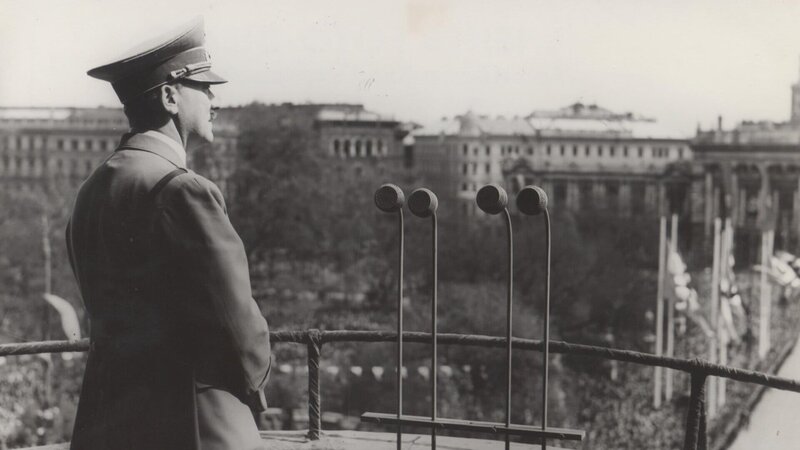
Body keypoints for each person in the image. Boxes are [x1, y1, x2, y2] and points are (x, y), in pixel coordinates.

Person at [65, 17, 271, 450]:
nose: (214, 101)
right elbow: (240, 332)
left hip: (108, 419)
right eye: (205, 88)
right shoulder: (184, 190)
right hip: (191, 423)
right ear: (170, 96)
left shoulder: (92, 190)